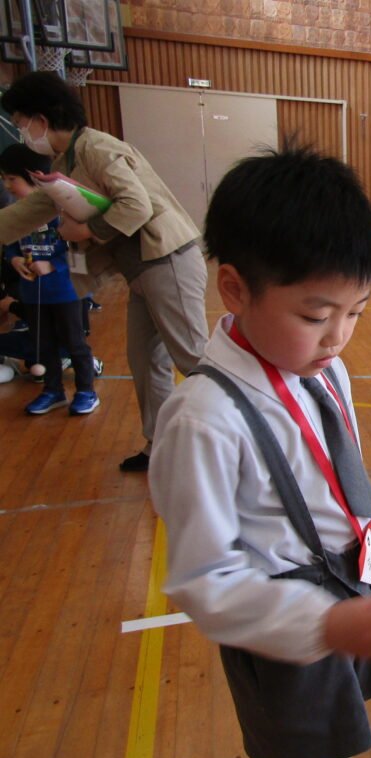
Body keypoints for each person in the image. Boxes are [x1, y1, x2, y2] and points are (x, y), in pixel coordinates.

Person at [149, 146, 371, 758]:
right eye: (315, 315)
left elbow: (334, 479)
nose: (338, 337)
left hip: (350, 590)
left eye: (356, 313)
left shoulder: (328, 370)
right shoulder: (204, 419)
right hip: (284, 627)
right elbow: (204, 581)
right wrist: (322, 626)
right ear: (234, 290)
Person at [0, 71, 208, 469]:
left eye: (22, 120)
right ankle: (161, 448)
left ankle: (249, 446)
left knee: (194, 359)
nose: (21, 129)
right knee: (146, 363)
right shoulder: (67, 161)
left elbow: (136, 205)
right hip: (142, 272)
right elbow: (29, 211)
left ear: (42, 118)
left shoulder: (95, 148)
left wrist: (87, 229)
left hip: (168, 262)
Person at [0, 143, 98, 414]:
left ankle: (86, 391)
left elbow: (80, 249)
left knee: (74, 343)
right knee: (43, 344)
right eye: (4, 179)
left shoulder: (61, 210)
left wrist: (53, 265)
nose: (7, 185)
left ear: (32, 177)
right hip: (33, 293)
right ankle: (53, 390)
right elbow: (10, 243)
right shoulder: (17, 215)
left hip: (66, 292)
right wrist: (14, 258)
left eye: (12, 179)